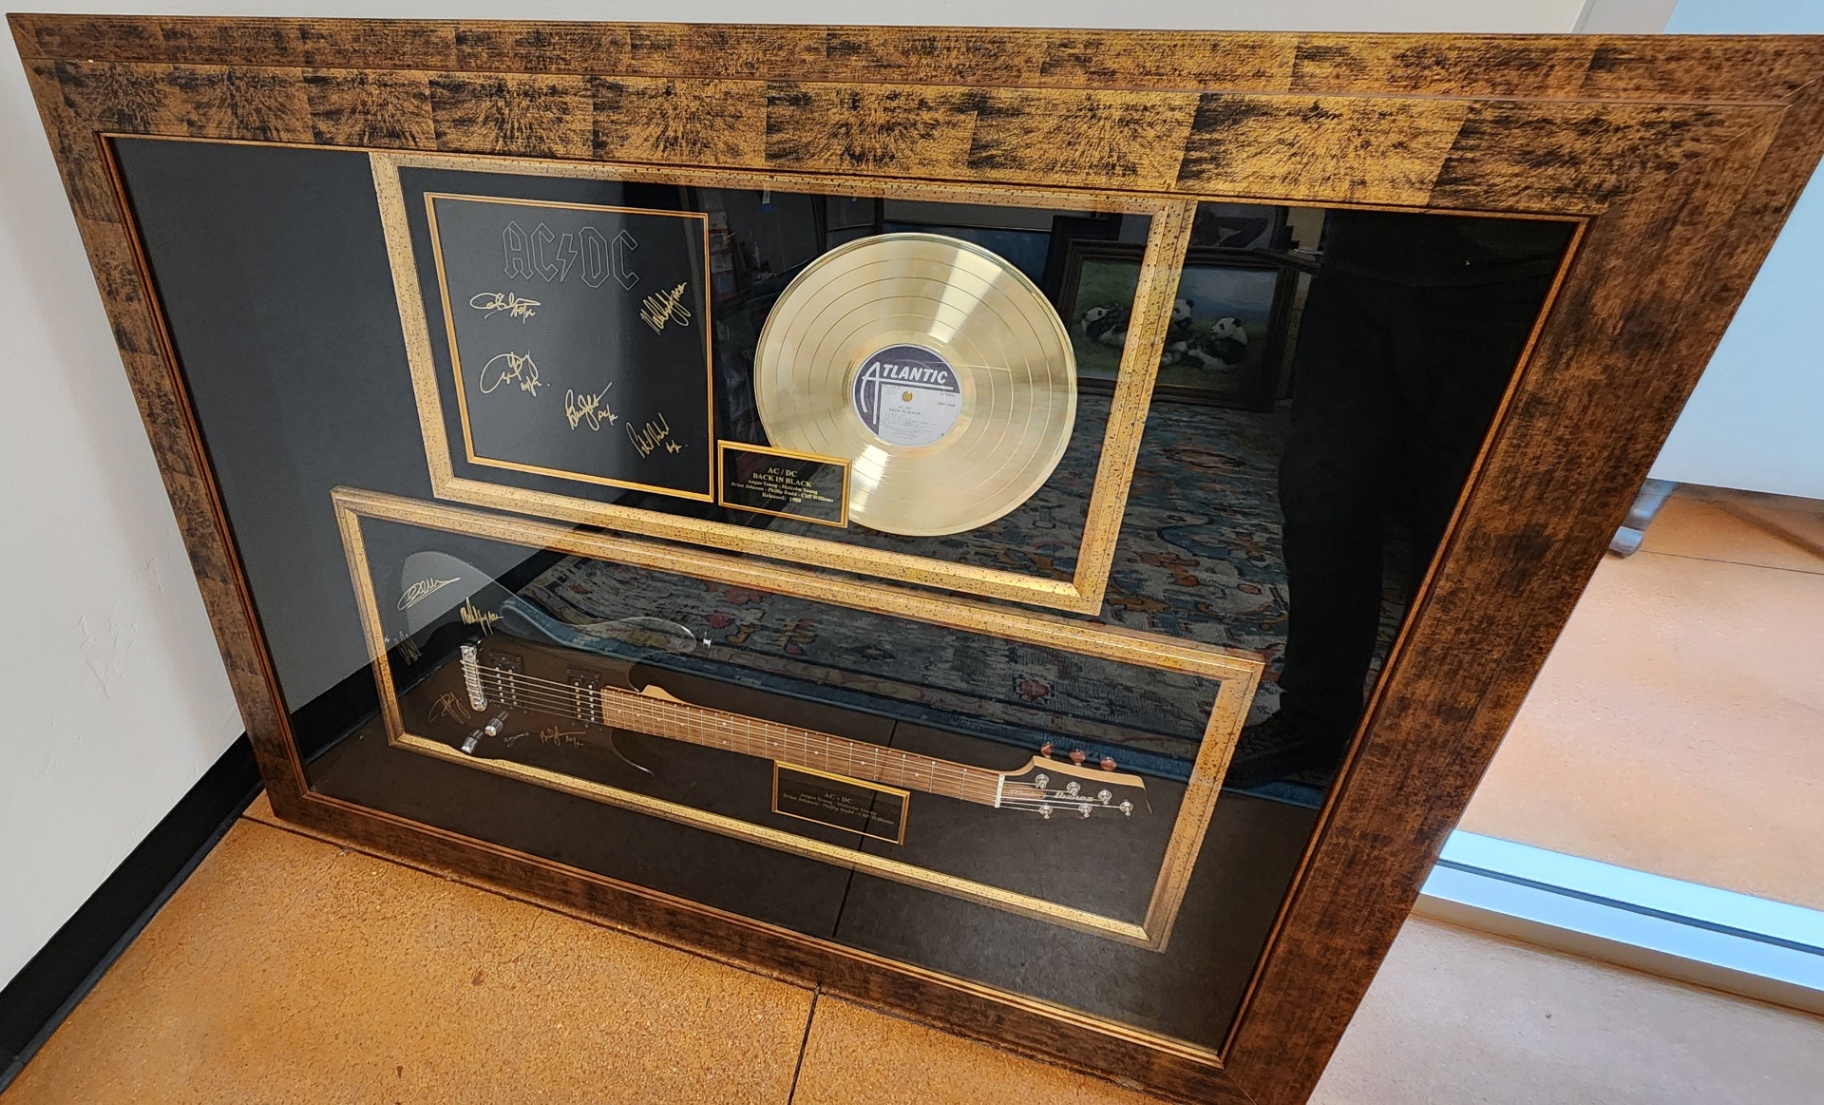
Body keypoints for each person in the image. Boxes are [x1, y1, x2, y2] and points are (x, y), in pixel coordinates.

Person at [1225, 210, 1574, 788]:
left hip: (1518, 275)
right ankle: (1313, 719)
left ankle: (1421, 738)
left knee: (1464, 525)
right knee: (1321, 503)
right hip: (1360, 258)